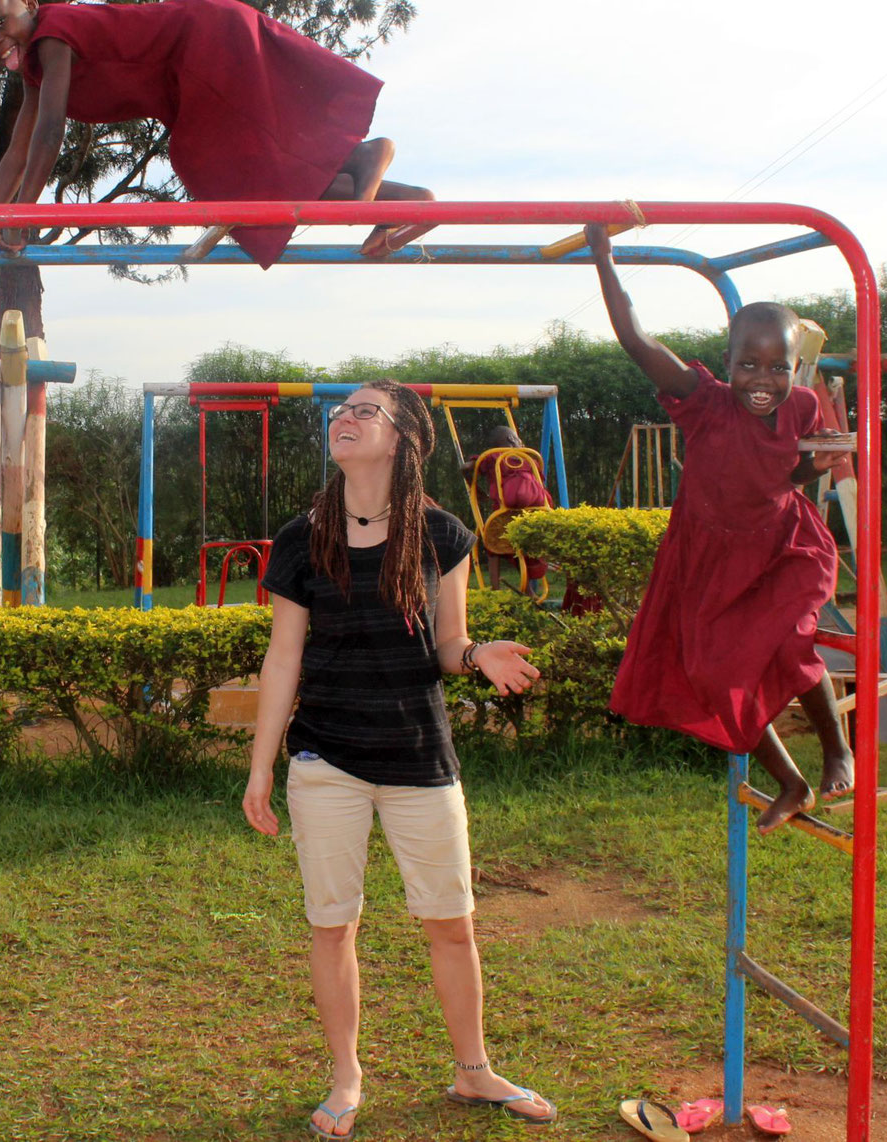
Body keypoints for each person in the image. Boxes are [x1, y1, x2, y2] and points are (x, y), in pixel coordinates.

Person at [244, 380, 557, 1138]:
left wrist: (479, 654)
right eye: (339, 411)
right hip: (327, 758)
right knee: (333, 925)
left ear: (403, 438)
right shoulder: (300, 538)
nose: (342, 419)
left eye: (363, 411)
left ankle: (472, 1071)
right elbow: (283, 659)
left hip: (420, 755)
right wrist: (259, 773)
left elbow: (448, 646)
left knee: (452, 923)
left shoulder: (443, 534)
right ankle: (347, 1077)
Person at [582, 222, 853, 832]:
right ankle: (792, 780)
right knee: (712, 673)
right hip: (710, 558)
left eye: (778, 367)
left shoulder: (803, 407)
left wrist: (818, 464)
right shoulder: (702, 401)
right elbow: (634, 337)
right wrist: (605, 259)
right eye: (748, 365)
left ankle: (839, 748)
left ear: (794, 367)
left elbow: (782, 475)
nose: (763, 380)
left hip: (784, 545)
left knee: (789, 641)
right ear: (726, 363)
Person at [0, 0, 436, 267]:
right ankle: (403, 201)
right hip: (186, 77)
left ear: (29, 4)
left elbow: (49, 134)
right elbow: (18, 148)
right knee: (249, 184)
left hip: (203, 44)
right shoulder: (35, 67)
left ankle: (362, 154)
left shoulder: (52, 38)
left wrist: (24, 216)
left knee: (228, 170)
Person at [469, 425, 551, 599]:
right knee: (525, 547)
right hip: (535, 514)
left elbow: (465, 467)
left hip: (504, 516)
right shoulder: (530, 458)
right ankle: (529, 590)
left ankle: (495, 589)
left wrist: (474, 487)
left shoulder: (491, 457)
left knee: (492, 545)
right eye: (517, 439)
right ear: (512, 440)